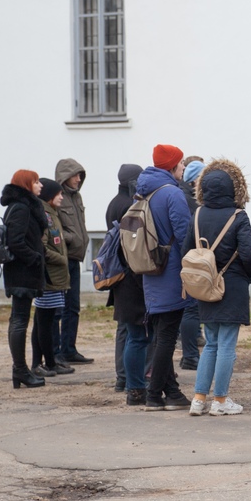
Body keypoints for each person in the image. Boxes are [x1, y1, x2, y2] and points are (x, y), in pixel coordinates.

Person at [183, 159, 251, 416]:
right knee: (226, 345)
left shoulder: (198, 214)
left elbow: (186, 250)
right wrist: (247, 275)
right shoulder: (238, 216)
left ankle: (198, 398)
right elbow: (249, 254)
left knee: (211, 344)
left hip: (204, 286)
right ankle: (221, 401)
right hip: (232, 285)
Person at [138, 144, 195, 411]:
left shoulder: (145, 191)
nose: (183, 167)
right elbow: (184, 234)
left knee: (162, 333)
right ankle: (153, 395)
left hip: (151, 271)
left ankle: (172, 393)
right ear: (172, 166)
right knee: (167, 337)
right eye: (181, 163)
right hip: (172, 272)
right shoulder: (172, 193)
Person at [0, 170, 47, 389]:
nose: (40, 185)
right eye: (36, 181)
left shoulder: (22, 206)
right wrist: (35, 258)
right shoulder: (21, 207)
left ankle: (20, 370)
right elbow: (16, 241)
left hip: (22, 272)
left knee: (18, 320)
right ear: (27, 184)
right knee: (19, 320)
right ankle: (20, 370)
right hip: (22, 272)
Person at [105, 163, 146, 404]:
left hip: (120, 276)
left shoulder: (114, 202)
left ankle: (124, 379)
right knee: (135, 335)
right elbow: (131, 246)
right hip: (130, 277)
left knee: (126, 330)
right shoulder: (128, 206)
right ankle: (131, 383)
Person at [31, 178, 72, 378]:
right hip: (49, 277)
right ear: (50, 196)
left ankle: (48, 361)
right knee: (44, 322)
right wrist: (62, 259)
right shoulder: (45, 215)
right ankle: (45, 363)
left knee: (44, 321)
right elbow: (43, 248)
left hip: (55, 277)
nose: (62, 197)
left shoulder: (52, 214)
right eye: (59, 194)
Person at [54, 158, 93, 365]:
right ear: (65, 177)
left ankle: (69, 348)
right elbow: (55, 229)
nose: (79, 179)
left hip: (75, 258)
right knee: (59, 307)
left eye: (80, 175)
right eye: (75, 175)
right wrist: (71, 238)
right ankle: (56, 352)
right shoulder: (57, 197)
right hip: (62, 258)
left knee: (73, 306)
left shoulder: (76, 197)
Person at [178, 156, 206, 371]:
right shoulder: (189, 200)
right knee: (190, 309)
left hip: (190, 257)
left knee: (191, 309)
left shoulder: (186, 196)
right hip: (191, 258)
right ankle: (189, 356)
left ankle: (189, 355)